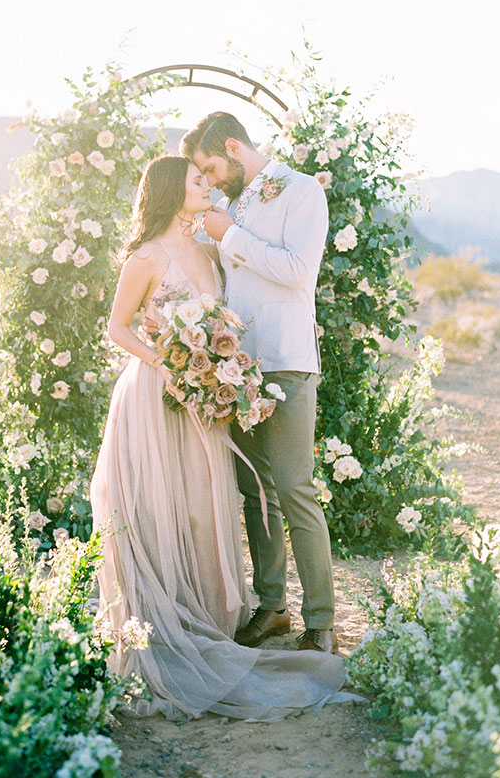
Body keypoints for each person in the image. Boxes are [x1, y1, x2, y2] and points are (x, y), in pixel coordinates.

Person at [90, 154, 354, 721]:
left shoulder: (210, 250)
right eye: (196, 179)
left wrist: (211, 366)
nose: (207, 185)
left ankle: (208, 615)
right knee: (160, 504)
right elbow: (117, 326)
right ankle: (159, 615)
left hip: (204, 399)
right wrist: (162, 362)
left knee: (205, 506)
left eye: (208, 175)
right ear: (169, 190)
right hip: (156, 395)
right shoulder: (145, 257)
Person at [181, 112, 337, 654]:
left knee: (295, 488)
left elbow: (298, 272)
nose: (210, 178)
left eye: (210, 166)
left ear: (232, 146)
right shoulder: (232, 205)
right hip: (238, 367)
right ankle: (271, 608)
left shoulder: (301, 192)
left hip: (288, 359)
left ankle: (321, 622)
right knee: (257, 492)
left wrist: (231, 237)